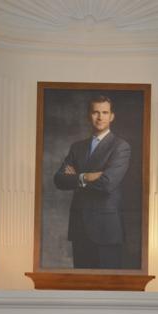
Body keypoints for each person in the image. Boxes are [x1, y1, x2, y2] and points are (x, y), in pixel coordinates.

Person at [53, 95, 132, 269]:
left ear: (112, 116)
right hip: (79, 227)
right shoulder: (77, 147)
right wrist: (86, 176)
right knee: (81, 289)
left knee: (107, 289)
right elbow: (59, 180)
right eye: (96, 112)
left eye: (105, 112)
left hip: (106, 230)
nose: (100, 117)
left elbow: (107, 183)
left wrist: (75, 177)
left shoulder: (120, 146)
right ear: (89, 115)